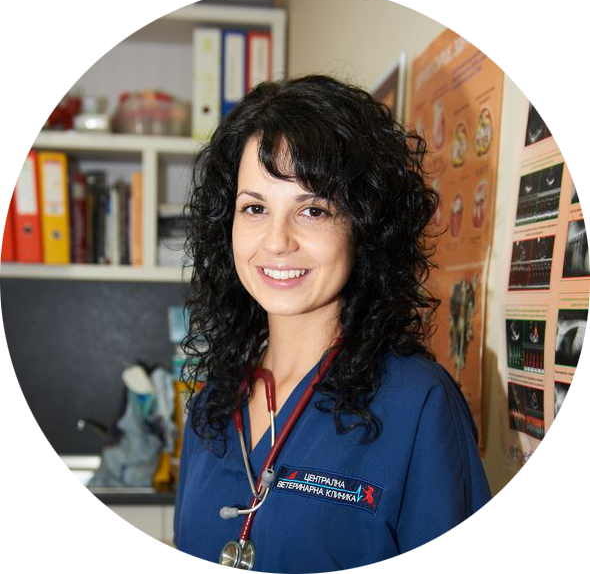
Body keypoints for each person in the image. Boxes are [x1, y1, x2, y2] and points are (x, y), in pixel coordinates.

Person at [174, 74, 491, 571]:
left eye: (313, 210)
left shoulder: (419, 405)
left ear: (364, 226)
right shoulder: (211, 405)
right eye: (254, 208)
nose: (276, 241)